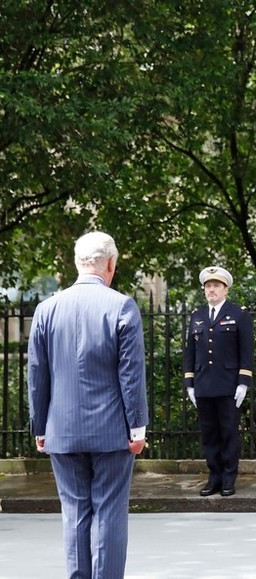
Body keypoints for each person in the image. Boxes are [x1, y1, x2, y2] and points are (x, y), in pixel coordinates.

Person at [28, 231, 149, 578]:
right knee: (110, 511)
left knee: (74, 512)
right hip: (112, 431)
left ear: (77, 263)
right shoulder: (122, 306)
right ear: (110, 264)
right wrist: (137, 428)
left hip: (61, 430)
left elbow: (37, 375)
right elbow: (131, 375)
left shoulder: (46, 309)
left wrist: (40, 427)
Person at [183, 266, 253, 497]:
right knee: (209, 434)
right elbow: (190, 352)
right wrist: (189, 383)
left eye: (216, 286)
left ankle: (228, 479)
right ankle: (213, 477)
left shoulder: (238, 314)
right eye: (208, 286)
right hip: (204, 384)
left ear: (226, 289)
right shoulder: (197, 316)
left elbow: (246, 350)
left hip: (228, 384)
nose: (211, 290)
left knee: (228, 433)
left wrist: (243, 382)